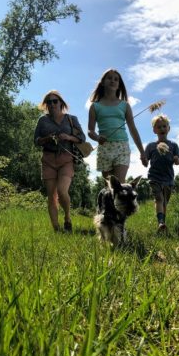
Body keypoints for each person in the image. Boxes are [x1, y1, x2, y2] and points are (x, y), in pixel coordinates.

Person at [34, 90, 86, 233]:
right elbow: (36, 140)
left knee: (62, 191)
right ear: (46, 105)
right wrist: (47, 138)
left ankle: (68, 217)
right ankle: (57, 229)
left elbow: (82, 138)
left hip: (66, 159)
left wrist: (68, 137)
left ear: (61, 103)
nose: (52, 104)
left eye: (55, 101)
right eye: (49, 102)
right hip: (48, 159)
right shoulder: (42, 120)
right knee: (51, 196)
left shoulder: (71, 119)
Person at [87, 68, 146, 182]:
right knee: (110, 188)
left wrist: (142, 152)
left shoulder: (124, 105)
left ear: (119, 85)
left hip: (122, 147)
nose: (113, 81)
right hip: (104, 148)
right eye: (109, 78)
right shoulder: (95, 106)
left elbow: (133, 129)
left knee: (119, 184)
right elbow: (90, 130)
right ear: (103, 82)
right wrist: (97, 137)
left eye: (116, 79)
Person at [142, 114, 179, 232]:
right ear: (154, 130)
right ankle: (160, 222)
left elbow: (178, 161)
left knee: (164, 202)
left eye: (164, 126)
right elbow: (145, 163)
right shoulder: (151, 146)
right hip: (154, 177)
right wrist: (143, 159)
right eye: (159, 127)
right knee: (159, 199)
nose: (162, 129)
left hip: (168, 178)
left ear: (169, 128)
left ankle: (163, 225)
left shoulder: (173, 145)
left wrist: (176, 159)